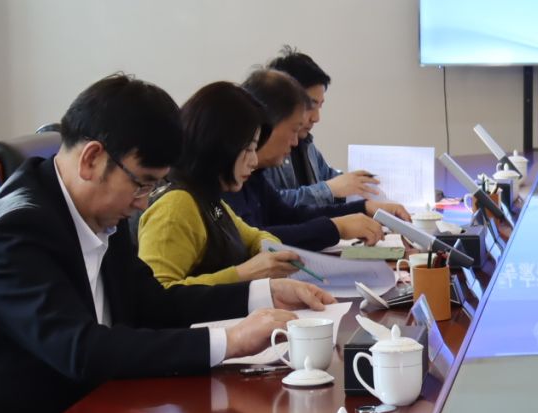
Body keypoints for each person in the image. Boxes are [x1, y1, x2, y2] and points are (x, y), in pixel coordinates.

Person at [0, 74, 332, 413]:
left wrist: (263, 294)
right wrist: (228, 341)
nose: (144, 202)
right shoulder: (17, 229)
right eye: (143, 183)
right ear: (91, 159)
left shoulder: (99, 210)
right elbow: (80, 350)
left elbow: (151, 301)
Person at [139, 81, 305, 289]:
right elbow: (159, 292)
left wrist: (269, 249)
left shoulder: (205, 196)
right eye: (248, 149)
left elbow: (253, 235)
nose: (254, 161)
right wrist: (245, 273)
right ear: (220, 144)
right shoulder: (177, 205)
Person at [230, 68, 405, 251]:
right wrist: (337, 227)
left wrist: (363, 208)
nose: (295, 141)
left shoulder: (255, 177)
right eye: (294, 130)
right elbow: (255, 239)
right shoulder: (229, 180)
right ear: (267, 124)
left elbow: (290, 216)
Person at [256, 47, 384, 212]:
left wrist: (365, 188)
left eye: (320, 106)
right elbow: (270, 206)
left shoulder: (307, 145)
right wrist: (329, 190)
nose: (316, 118)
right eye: (310, 105)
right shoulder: (262, 150)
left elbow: (334, 183)